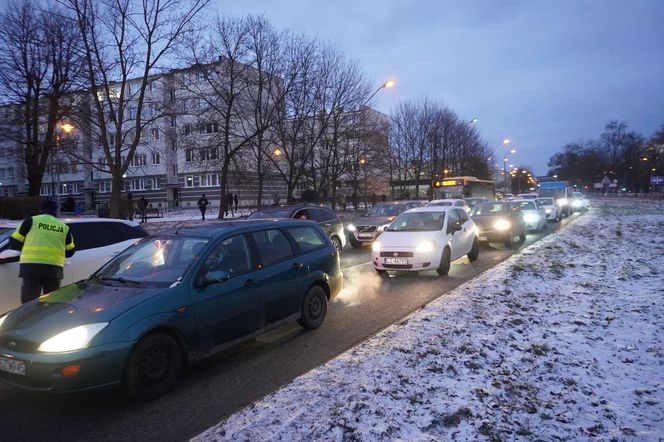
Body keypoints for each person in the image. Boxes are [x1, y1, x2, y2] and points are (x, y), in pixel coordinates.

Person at [9, 199, 76, 304]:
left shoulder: (31, 221)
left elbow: (14, 243)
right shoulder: (64, 227)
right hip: (54, 270)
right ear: (55, 210)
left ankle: (29, 320)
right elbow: (70, 251)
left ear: (41, 209)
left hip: (31, 268)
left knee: (29, 303)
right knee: (51, 303)